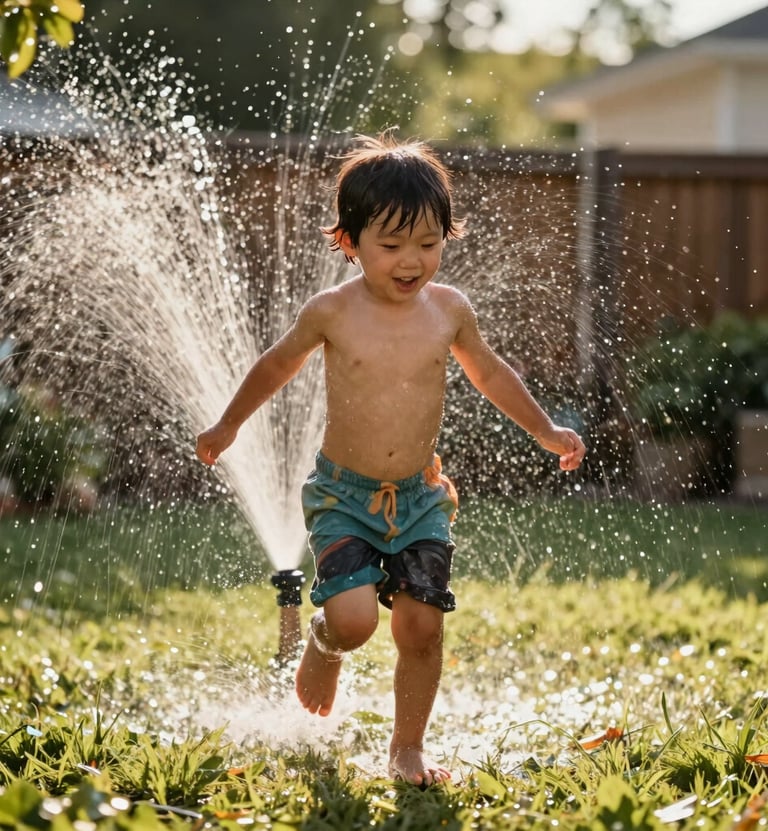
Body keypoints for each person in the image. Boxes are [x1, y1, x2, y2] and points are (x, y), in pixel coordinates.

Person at [196, 132, 586, 787]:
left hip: (419, 496)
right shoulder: (331, 312)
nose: (412, 261)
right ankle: (324, 643)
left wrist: (546, 429)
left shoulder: (449, 310)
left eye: (428, 244)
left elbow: (489, 374)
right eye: (392, 244)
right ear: (349, 242)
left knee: (422, 625)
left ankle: (406, 748)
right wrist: (229, 423)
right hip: (344, 495)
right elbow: (278, 364)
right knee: (355, 621)